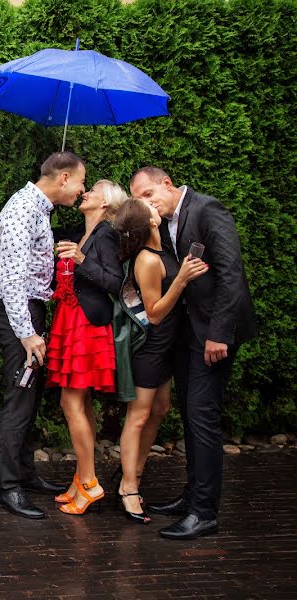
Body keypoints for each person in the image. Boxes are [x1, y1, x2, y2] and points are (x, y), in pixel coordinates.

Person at [130, 167, 256, 539]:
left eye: (151, 194)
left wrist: (220, 334)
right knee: (191, 416)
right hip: (188, 335)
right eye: (141, 199)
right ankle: (192, 496)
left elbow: (231, 273)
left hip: (213, 336)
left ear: (168, 184)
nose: (148, 203)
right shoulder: (169, 219)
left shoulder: (207, 209)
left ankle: (204, 512)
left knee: (203, 419)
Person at [0, 152, 86, 520]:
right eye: (79, 181)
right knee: (19, 396)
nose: (82, 189)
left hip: (31, 308)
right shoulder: (22, 210)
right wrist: (27, 334)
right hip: (19, 313)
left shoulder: (40, 208)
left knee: (29, 398)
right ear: (63, 177)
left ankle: (25, 474)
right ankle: (6, 487)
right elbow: (11, 281)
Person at [113, 198, 208, 524]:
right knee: (137, 417)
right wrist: (181, 279)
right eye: (149, 206)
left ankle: (135, 471)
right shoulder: (148, 260)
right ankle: (128, 487)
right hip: (151, 349)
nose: (155, 206)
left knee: (160, 409)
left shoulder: (162, 247)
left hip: (167, 349)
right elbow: (153, 314)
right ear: (149, 222)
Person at [47, 180, 125, 515]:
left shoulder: (106, 234)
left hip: (87, 324)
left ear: (105, 204)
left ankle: (91, 482)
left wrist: (81, 260)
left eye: (93, 191)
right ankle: (80, 478)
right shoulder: (84, 231)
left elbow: (115, 282)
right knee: (83, 402)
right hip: (71, 318)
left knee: (70, 400)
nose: (85, 193)